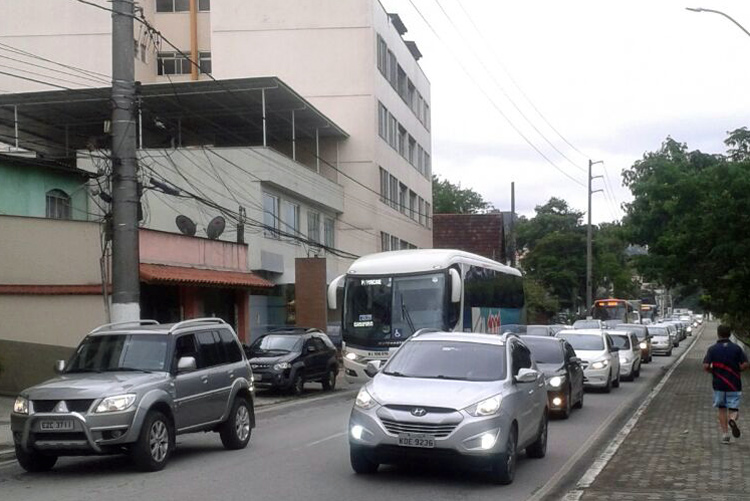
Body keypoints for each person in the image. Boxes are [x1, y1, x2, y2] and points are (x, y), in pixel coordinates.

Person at [703, 325, 749, 444]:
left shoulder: (712, 349)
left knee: (722, 409)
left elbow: (706, 366)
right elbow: (745, 364)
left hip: (718, 384)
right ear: (730, 334)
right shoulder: (737, 348)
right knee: (733, 409)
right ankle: (732, 419)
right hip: (734, 384)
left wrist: (713, 372)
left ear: (718, 334)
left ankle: (725, 435)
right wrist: (737, 370)